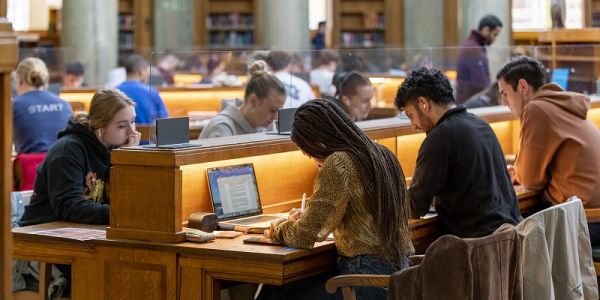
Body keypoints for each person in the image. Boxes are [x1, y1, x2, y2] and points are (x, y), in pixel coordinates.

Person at [259, 100, 414, 300]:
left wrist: (278, 226)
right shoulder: (384, 155)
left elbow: (304, 236)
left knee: (277, 289)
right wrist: (309, 216)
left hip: (363, 279)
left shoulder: (339, 162)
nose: (312, 159)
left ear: (316, 142)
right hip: (399, 278)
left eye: (307, 152)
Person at [395, 67, 521, 238]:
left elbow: (413, 207)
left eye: (410, 115)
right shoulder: (481, 125)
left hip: (477, 247)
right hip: (511, 239)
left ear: (423, 103)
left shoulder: (439, 138)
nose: (414, 125)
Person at [496, 56, 600, 244]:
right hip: (592, 215)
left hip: (584, 221)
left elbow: (530, 181)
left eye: (504, 93)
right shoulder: (562, 104)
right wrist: (518, 172)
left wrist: (520, 173)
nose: (503, 102)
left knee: (505, 232)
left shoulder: (536, 109)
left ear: (522, 87)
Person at [20, 88, 140, 226]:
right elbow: (68, 206)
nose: (132, 132)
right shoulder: (67, 151)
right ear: (100, 126)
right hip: (41, 230)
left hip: (79, 228)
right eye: (122, 126)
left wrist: (127, 162)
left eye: (133, 121)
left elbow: (126, 201)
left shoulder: (115, 149)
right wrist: (123, 214)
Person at [198, 60, 286, 139]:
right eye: (272, 110)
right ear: (253, 101)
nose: (276, 117)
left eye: (278, 111)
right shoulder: (222, 128)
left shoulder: (267, 125)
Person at [13, 57, 72, 154]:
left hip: (32, 166)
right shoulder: (65, 105)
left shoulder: (14, 105)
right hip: (65, 164)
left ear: (19, 80)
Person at [455, 14, 503, 104]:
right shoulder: (473, 49)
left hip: (469, 103)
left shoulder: (474, 46)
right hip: (469, 104)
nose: (495, 39)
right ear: (486, 30)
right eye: (495, 34)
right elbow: (481, 84)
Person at [117, 54, 169, 124]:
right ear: (141, 71)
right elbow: (164, 121)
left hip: (122, 135)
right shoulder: (151, 91)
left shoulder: (115, 92)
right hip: (148, 135)